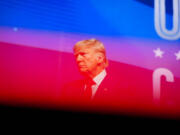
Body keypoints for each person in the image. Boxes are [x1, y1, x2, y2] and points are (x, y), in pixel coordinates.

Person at [60, 39, 133, 108]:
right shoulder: (69, 89)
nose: (78, 59)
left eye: (83, 54)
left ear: (100, 58)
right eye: (76, 56)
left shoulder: (122, 90)